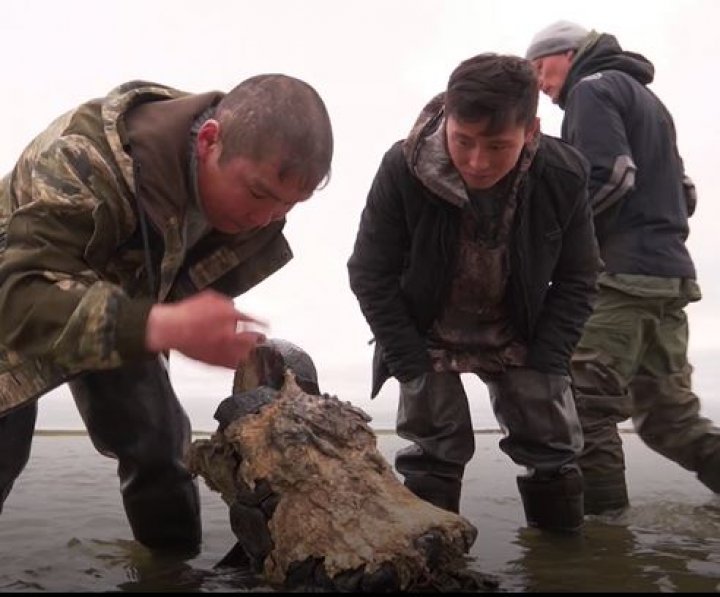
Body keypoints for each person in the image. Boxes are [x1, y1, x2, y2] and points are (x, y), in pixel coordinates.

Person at [0, 75, 333, 553]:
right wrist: (166, 325)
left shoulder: (244, 207)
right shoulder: (83, 157)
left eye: (289, 205)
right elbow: (22, 299)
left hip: (117, 299)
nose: (267, 217)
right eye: (260, 194)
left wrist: (195, 324)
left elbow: (171, 286)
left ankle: (172, 575)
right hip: (15, 289)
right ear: (210, 141)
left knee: (161, 442)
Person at [347, 53, 600, 533]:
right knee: (433, 449)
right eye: (462, 141)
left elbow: (579, 278)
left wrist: (548, 359)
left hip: (520, 327)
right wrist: (408, 360)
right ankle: (433, 562)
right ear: (447, 117)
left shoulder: (563, 174)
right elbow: (369, 273)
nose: (477, 162)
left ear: (531, 132)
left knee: (551, 448)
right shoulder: (402, 167)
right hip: (426, 330)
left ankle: (561, 564)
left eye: (497, 146)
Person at [526, 21, 720, 515]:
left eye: (540, 68)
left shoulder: (591, 91)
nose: (539, 84)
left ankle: (604, 548)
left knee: (583, 409)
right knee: (668, 418)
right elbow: (687, 193)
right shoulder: (648, 101)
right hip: (669, 277)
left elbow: (612, 176)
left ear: (568, 54)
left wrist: (559, 244)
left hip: (621, 280)